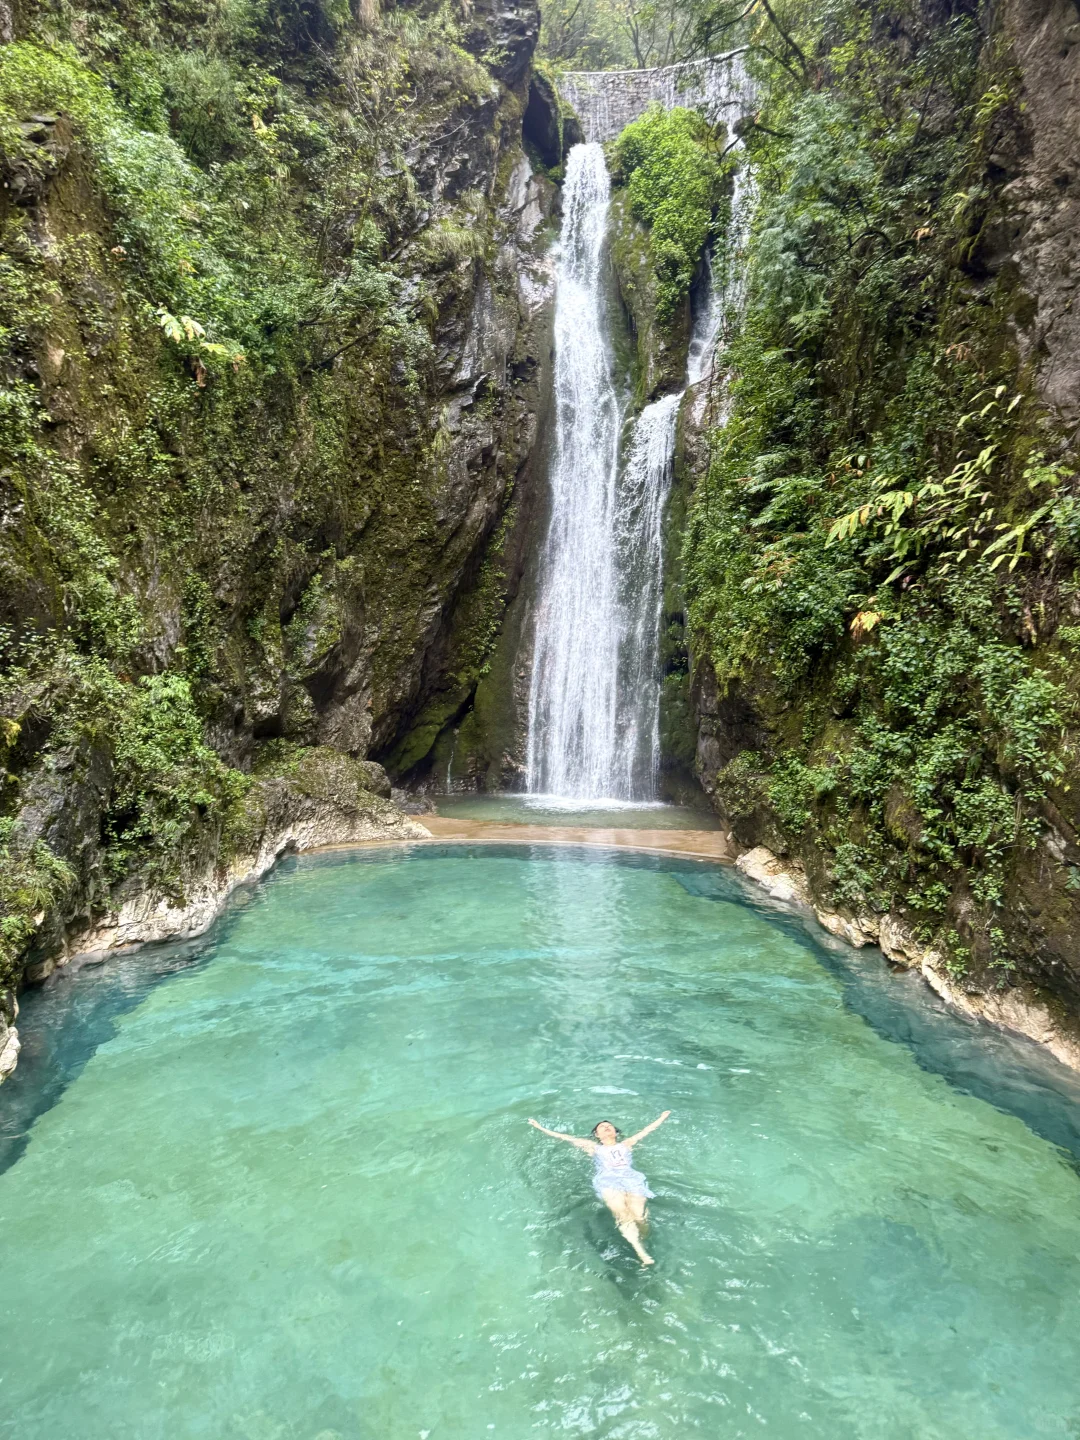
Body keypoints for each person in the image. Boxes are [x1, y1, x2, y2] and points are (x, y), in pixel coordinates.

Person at [527, 1111, 671, 1266]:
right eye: (602, 1127)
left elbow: (646, 1130)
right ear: (597, 1135)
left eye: (609, 1126)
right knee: (622, 1214)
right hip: (607, 1181)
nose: (606, 1127)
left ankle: (642, 1237)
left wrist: (662, 1117)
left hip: (632, 1178)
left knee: (639, 1216)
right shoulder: (593, 1147)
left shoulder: (627, 1144)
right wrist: (540, 1127)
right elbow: (564, 1137)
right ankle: (640, 1250)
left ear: (616, 1132)